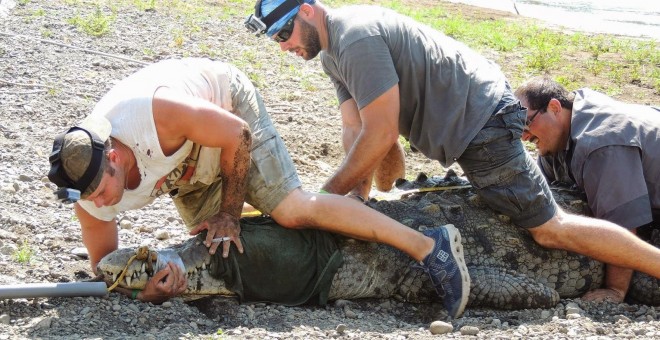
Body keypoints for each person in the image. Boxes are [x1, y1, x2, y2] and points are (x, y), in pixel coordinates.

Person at [245, 0, 660, 301]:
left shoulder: (355, 37)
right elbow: (359, 129)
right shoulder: (334, 54)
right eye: (276, 39)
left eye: (285, 33)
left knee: (550, 228)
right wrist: (359, 200)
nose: (284, 46)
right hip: (471, 121)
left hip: (482, 123)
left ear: (308, 10)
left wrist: (323, 202)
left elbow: (382, 131)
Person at [47, 58, 470, 317]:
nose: (100, 203)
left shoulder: (155, 114)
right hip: (186, 166)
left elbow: (237, 134)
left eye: (102, 190)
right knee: (220, 250)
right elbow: (108, 276)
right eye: (88, 199)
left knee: (289, 208)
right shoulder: (90, 197)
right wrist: (149, 296)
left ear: (116, 156)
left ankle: (428, 246)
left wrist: (230, 212)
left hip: (227, 110)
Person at [514, 76, 660, 303]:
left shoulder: (600, 143)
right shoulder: (565, 127)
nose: (523, 136)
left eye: (526, 124)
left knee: (642, 289)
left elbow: (623, 223)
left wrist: (616, 290)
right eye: (516, 129)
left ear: (554, 108)